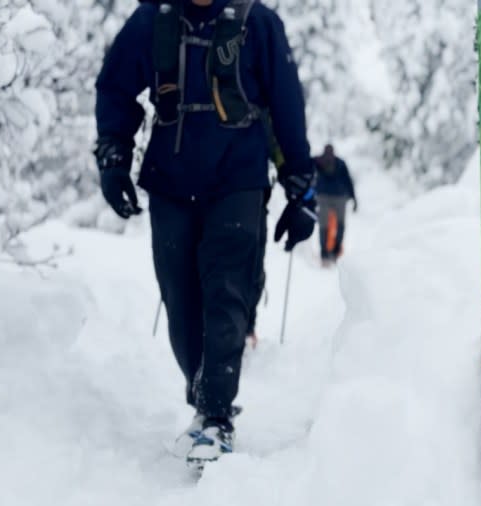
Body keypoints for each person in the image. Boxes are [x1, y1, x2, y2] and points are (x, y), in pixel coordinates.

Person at [94, 0, 317, 466]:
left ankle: (217, 417)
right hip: (171, 178)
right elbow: (115, 86)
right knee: (180, 299)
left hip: (238, 176)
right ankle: (202, 399)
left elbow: (286, 101)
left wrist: (300, 186)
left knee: (227, 291)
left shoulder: (257, 21)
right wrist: (114, 156)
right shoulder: (153, 19)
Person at [315, 145, 357, 264]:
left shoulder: (318, 161)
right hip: (340, 196)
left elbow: (311, 175)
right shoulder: (340, 163)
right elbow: (348, 181)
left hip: (323, 196)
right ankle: (335, 251)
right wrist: (354, 198)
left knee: (323, 225)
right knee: (340, 224)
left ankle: (324, 253)